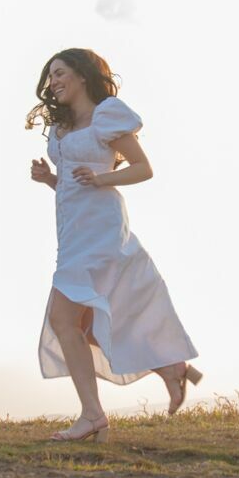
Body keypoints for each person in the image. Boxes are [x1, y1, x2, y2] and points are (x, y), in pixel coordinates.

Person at [28, 48, 200, 441]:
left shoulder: (108, 115)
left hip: (102, 229)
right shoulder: (61, 129)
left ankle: (92, 415)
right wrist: (50, 181)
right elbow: (75, 184)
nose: (53, 82)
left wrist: (103, 179)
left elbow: (144, 168)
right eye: (49, 76)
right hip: (73, 231)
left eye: (60, 73)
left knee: (64, 319)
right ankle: (169, 368)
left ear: (83, 75)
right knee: (88, 325)